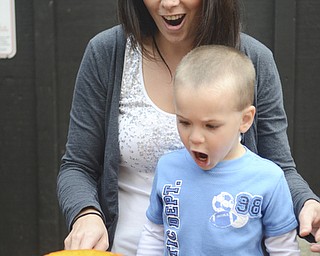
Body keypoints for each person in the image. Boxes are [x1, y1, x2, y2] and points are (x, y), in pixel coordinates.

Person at [57, 0, 320, 255]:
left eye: (211, 125)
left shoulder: (254, 60)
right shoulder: (107, 53)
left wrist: (308, 203)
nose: (169, 3)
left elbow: (279, 169)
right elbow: (77, 166)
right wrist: (86, 213)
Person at [136, 44, 300, 255]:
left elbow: (283, 248)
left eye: (210, 126)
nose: (195, 137)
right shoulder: (168, 167)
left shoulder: (268, 179)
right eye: (184, 122)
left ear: (245, 120)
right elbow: (154, 234)